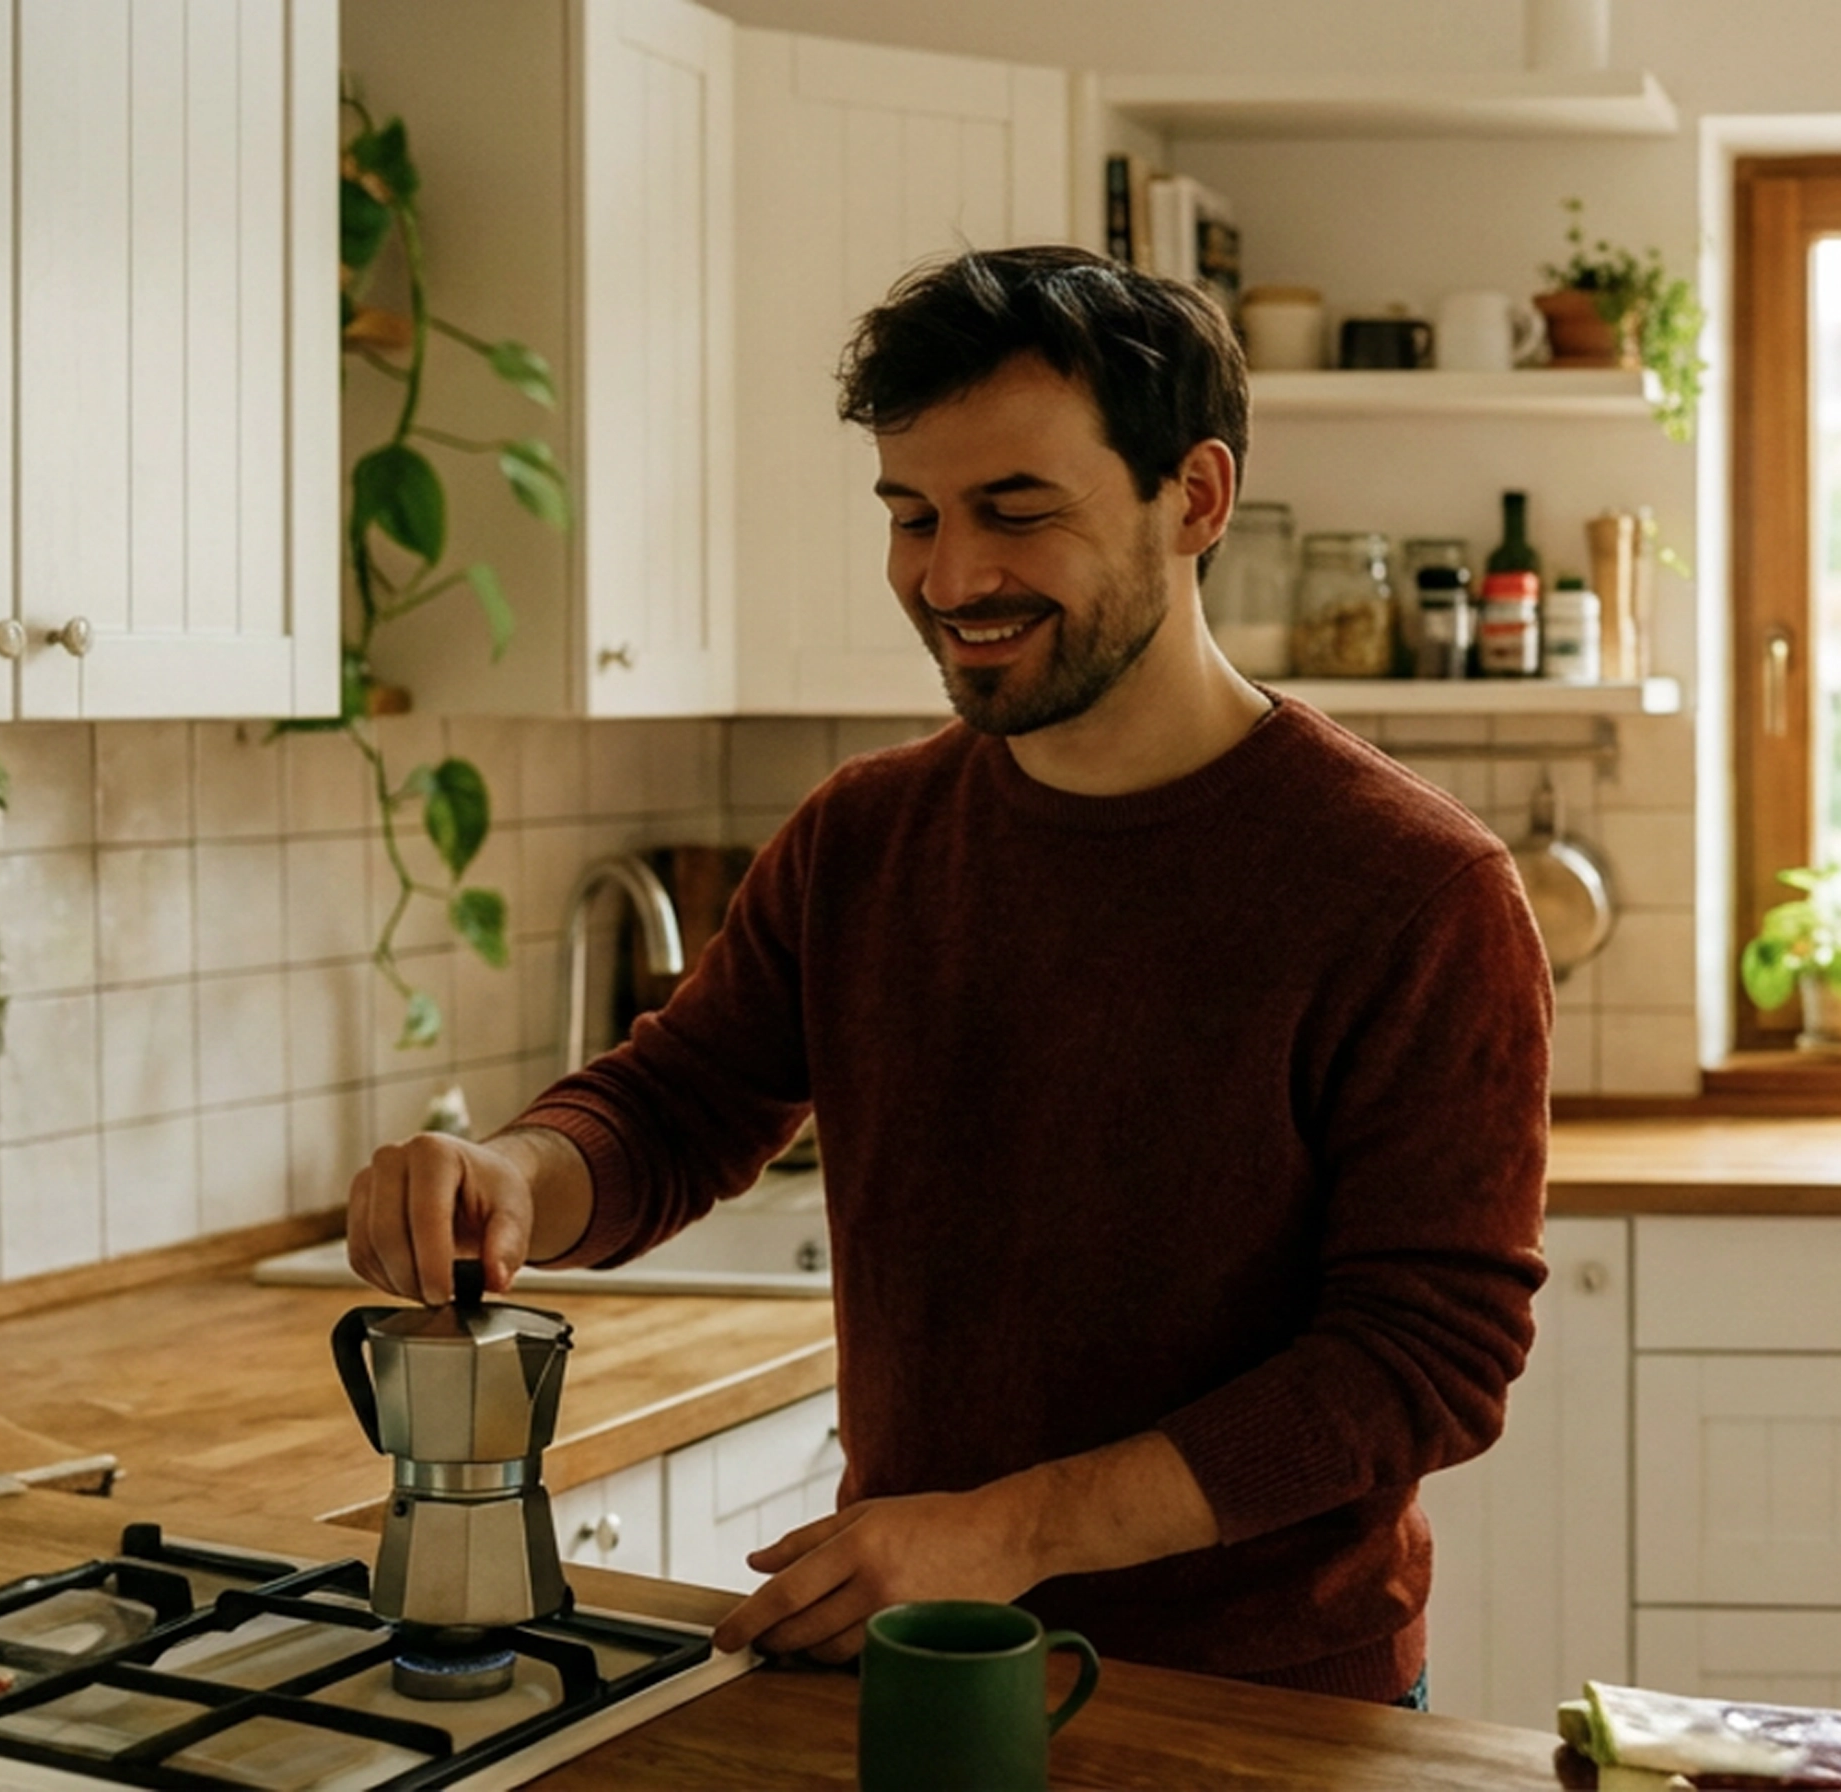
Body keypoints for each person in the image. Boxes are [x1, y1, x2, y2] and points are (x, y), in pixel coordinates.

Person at [339, 246, 1551, 1708]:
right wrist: (520, 1175)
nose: (950, 576)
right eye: (911, 516)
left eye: (1016, 513)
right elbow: (677, 1105)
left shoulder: (1415, 890)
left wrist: (1010, 1533)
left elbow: (1424, 1361)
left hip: (1261, 1700)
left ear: (1197, 498)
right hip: (912, 1662)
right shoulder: (867, 836)